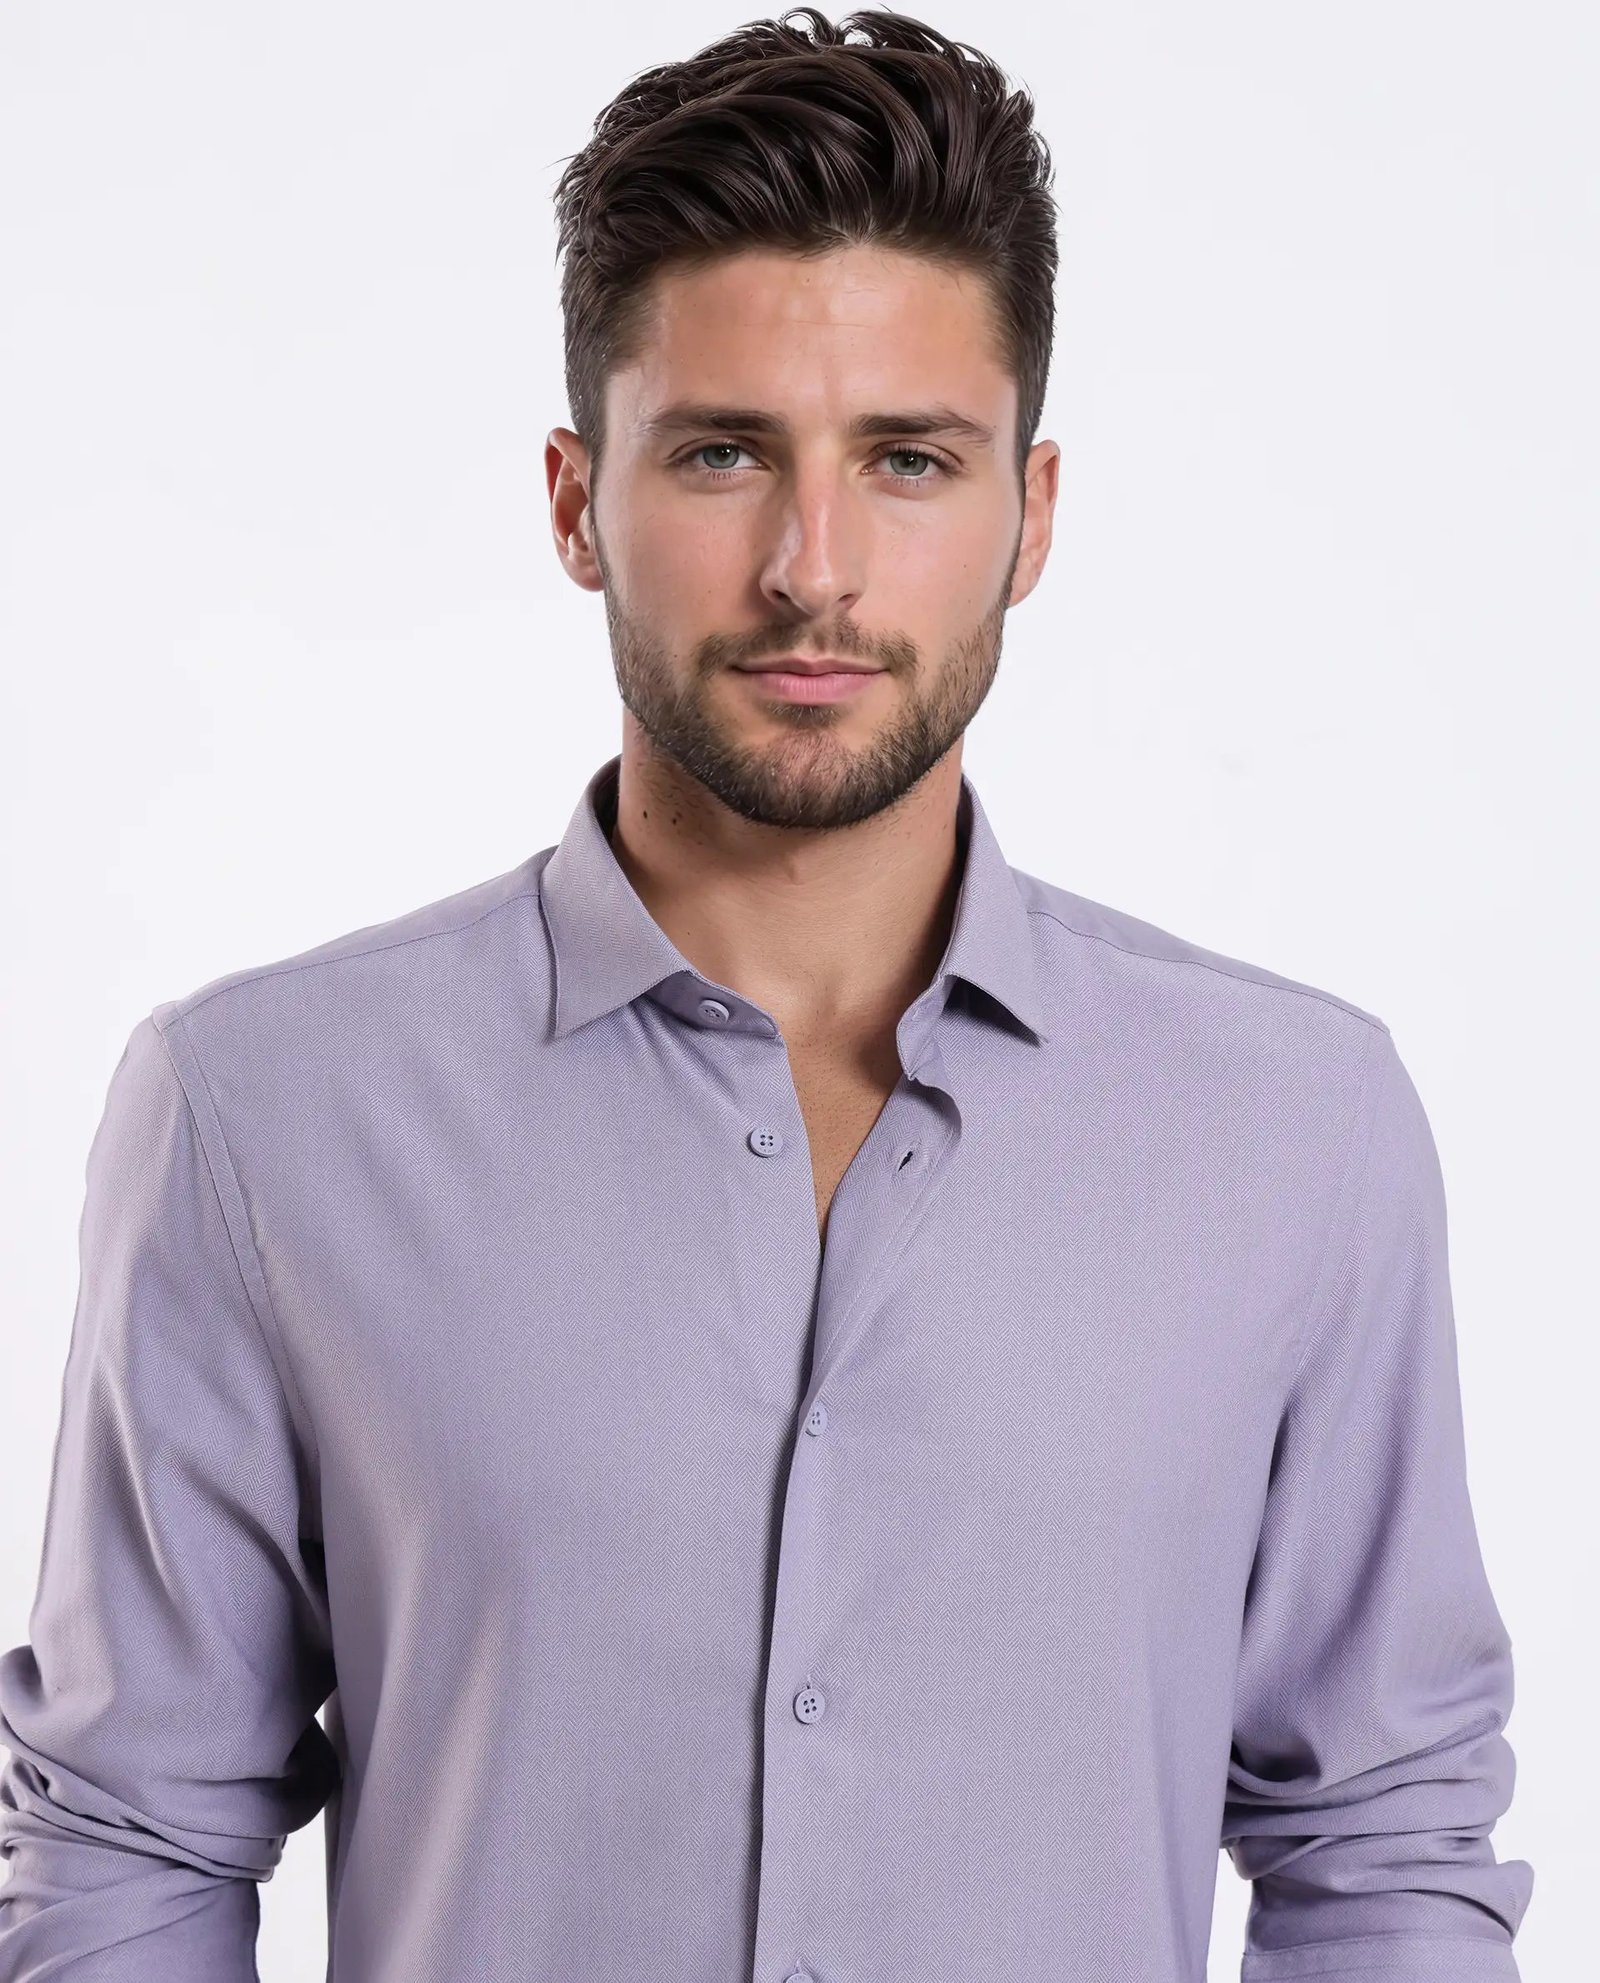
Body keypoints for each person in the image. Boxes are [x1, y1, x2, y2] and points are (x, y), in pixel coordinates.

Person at [0, 9, 1533, 1980]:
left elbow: (1380, 1843)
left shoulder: (1296, 1128)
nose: (815, 569)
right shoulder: (260, 1115)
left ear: (1031, 514)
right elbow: (125, 1843)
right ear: (577, 502)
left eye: (908, 460)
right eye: (723, 453)